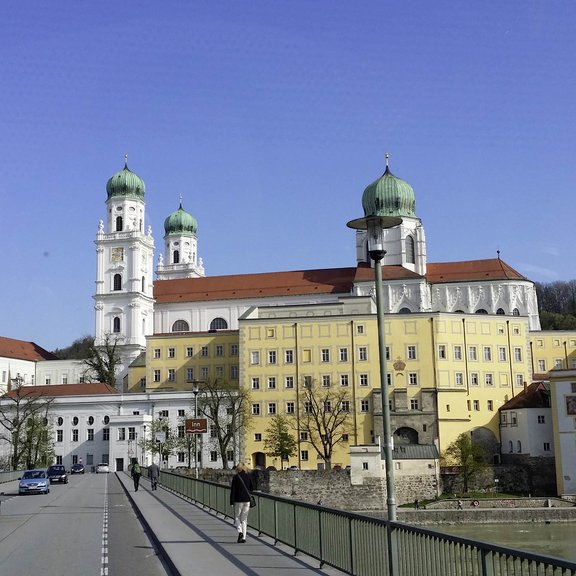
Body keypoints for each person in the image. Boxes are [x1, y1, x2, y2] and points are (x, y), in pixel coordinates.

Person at [229, 463, 254, 543]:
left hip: (238, 500)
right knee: (244, 519)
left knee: (237, 517)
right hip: (247, 500)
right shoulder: (248, 476)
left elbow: (233, 490)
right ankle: (244, 537)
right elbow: (251, 488)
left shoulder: (236, 477)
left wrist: (231, 501)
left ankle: (240, 532)